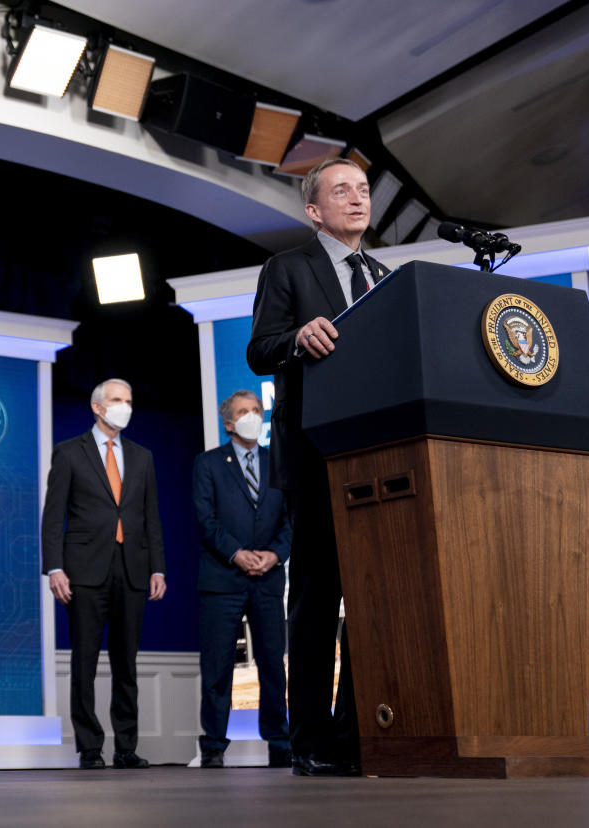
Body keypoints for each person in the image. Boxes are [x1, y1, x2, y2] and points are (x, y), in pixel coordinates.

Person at [246, 157, 389, 777]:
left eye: (362, 189)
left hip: (381, 463)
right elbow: (259, 349)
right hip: (316, 459)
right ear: (314, 210)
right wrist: (297, 337)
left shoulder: (385, 275)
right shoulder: (289, 269)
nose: (356, 199)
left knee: (373, 603)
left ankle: (360, 737)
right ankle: (308, 741)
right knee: (315, 602)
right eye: (341, 190)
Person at [41, 379, 167, 770]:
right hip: (83, 571)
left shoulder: (142, 456)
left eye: (128, 400)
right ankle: (90, 748)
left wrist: (158, 567)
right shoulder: (68, 453)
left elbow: (151, 519)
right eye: (117, 400)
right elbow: (53, 517)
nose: (124, 407)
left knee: (126, 664)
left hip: (132, 569)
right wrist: (55, 567)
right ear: (98, 407)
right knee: (85, 662)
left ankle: (126, 747)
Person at [192, 390, 291, 769]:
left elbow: (289, 520)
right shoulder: (208, 464)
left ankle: (279, 742)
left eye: (256, 410)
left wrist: (275, 554)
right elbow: (206, 520)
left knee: (271, 663)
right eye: (243, 412)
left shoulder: (278, 463)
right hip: (222, 580)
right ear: (228, 423)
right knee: (217, 667)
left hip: (267, 580)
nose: (252, 415)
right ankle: (214, 745)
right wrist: (237, 553)